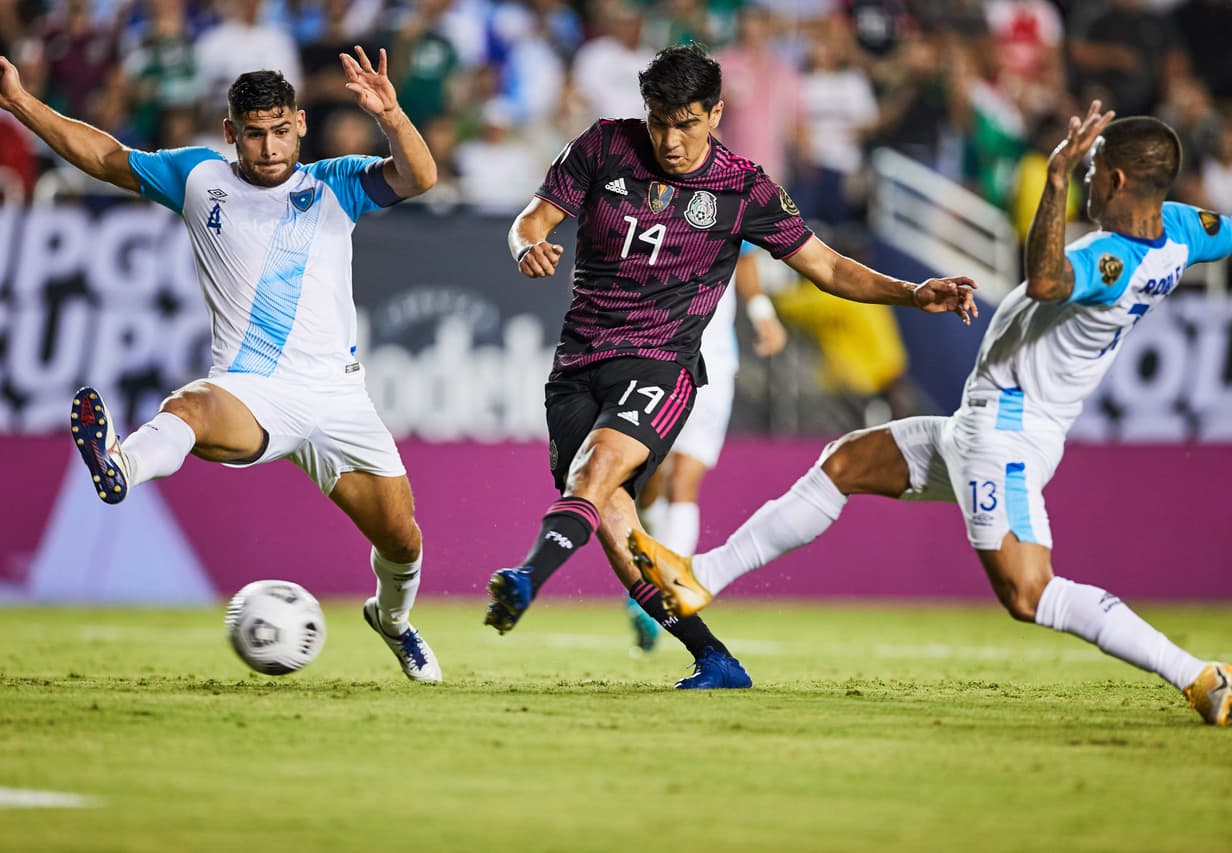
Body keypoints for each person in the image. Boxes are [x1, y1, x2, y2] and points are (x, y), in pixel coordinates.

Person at [627, 103, 1232, 726]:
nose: (1084, 177)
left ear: (1118, 182)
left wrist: (1051, 182)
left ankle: (1197, 675)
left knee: (1030, 592)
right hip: (986, 424)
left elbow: (1048, 280)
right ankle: (700, 577)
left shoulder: (1113, 260)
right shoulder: (1184, 231)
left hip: (1006, 432)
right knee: (848, 461)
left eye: (1093, 168)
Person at [484, 43, 977, 689]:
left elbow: (826, 266)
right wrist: (528, 246)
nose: (670, 139)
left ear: (715, 113)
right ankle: (716, 658)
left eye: (686, 123)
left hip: (663, 365)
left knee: (594, 472)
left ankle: (526, 576)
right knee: (612, 518)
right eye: (659, 121)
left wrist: (912, 292)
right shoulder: (604, 146)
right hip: (578, 364)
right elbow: (532, 220)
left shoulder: (744, 187)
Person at [0, 38, 444, 683]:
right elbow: (104, 157)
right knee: (193, 405)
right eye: (252, 135)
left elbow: (420, 177)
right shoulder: (198, 176)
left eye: (278, 132)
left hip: (337, 395)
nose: (268, 148)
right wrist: (18, 101)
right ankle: (121, 464)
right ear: (230, 133)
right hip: (250, 389)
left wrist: (391, 115)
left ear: (299, 125)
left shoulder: (334, 184)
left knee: (403, 540)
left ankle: (393, 621)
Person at [627, 245, 786, 652]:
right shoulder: (648, 195)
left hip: (714, 364)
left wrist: (763, 315)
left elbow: (746, 259)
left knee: (684, 480)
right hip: (655, 357)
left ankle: (661, 595)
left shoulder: (731, 190)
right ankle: (648, 569)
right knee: (649, 479)